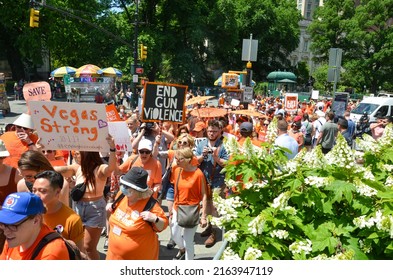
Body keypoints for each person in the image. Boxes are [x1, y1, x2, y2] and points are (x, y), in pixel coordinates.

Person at [54, 135, 117, 260]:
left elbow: (110, 169)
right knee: (79, 246)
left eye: (77, 153)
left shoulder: (100, 168)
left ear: (86, 153)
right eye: (74, 153)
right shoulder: (76, 168)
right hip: (78, 208)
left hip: (95, 209)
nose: (75, 155)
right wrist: (38, 150)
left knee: (88, 246)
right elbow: (55, 169)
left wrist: (112, 149)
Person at [105, 167, 168, 259]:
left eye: (127, 187)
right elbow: (111, 217)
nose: (123, 188)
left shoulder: (150, 205)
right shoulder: (122, 195)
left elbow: (163, 225)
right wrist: (110, 206)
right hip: (113, 256)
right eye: (123, 185)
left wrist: (155, 219)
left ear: (138, 191)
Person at [0, 192, 70, 260]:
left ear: (36, 220)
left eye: (13, 225)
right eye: (4, 224)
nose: (6, 232)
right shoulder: (13, 239)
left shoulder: (51, 253)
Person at [195, 119, 229, 248]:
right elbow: (195, 161)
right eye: (209, 131)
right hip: (204, 179)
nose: (211, 134)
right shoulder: (202, 143)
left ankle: (214, 233)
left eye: (214, 131)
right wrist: (202, 156)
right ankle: (209, 227)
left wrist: (216, 158)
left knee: (215, 207)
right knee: (206, 205)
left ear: (220, 132)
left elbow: (228, 163)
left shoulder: (224, 145)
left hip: (218, 180)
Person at [32, 170, 85, 251]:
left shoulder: (73, 220)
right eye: (34, 190)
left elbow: (79, 253)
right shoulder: (29, 213)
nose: (36, 195)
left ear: (57, 192)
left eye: (42, 191)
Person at [171, 148, 208, 260]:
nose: (176, 161)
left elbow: (204, 195)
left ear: (188, 159)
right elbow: (176, 190)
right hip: (177, 208)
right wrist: (172, 210)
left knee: (188, 240)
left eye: (179, 159)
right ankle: (182, 249)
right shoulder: (177, 170)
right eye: (175, 158)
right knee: (174, 234)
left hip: (192, 210)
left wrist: (204, 216)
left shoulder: (198, 174)